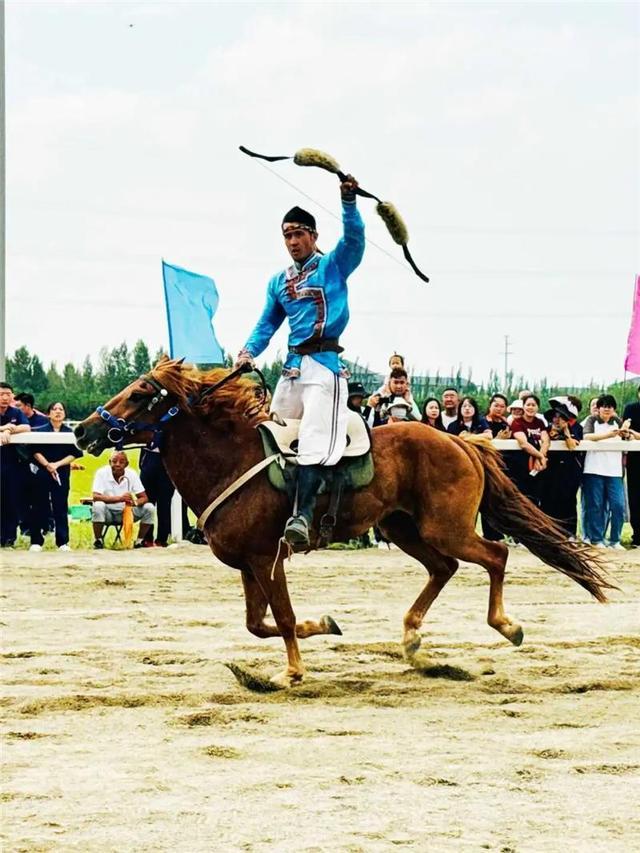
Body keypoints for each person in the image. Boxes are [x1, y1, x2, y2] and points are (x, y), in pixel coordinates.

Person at [234, 174, 365, 550]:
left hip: (325, 368)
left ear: (313, 236)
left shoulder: (334, 266)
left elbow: (354, 240)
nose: (292, 242)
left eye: (298, 234)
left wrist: (348, 203)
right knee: (270, 433)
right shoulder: (279, 281)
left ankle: (303, 517)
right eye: (287, 236)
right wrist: (247, 353)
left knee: (312, 441)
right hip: (292, 371)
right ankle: (266, 511)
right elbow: (267, 323)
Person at [29, 402, 83, 552]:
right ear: (48, 413)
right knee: (39, 505)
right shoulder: (40, 431)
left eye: (61, 409)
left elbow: (75, 453)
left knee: (60, 507)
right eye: (54, 409)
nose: (58, 412)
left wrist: (57, 465)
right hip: (42, 473)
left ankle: (63, 542)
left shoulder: (70, 433)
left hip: (61, 474)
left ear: (64, 414)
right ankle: (36, 541)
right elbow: (35, 450)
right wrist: (47, 465)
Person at [582, 395, 630, 549]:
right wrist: (609, 435)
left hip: (614, 471)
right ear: (599, 408)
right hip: (593, 469)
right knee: (595, 505)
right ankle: (596, 538)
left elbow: (627, 438)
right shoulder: (591, 420)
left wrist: (626, 433)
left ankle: (615, 539)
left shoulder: (618, 421)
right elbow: (587, 436)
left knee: (618, 506)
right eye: (604, 406)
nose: (607, 409)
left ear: (614, 409)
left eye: (610, 406)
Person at [91, 451, 155, 549]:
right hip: (108, 513)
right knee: (98, 505)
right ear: (109, 462)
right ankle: (98, 540)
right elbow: (95, 496)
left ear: (127, 464)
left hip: (127, 512)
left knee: (149, 507)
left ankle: (139, 541)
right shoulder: (101, 473)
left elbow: (144, 497)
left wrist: (135, 502)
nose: (117, 464)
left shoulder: (132, 474)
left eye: (121, 462)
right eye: (114, 461)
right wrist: (119, 498)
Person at [540, 401, 583, 538]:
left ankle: (569, 534)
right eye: (555, 416)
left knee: (569, 501)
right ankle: (549, 533)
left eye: (561, 417)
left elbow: (572, 446)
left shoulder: (577, 428)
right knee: (548, 500)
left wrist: (566, 432)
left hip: (570, 470)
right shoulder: (546, 430)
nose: (557, 420)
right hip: (551, 470)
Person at [0, 382, 31, 547]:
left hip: (11, 464)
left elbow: (26, 427)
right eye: (1, 394)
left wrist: (9, 431)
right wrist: (3, 427)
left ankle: (9, 539)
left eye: (8, 394)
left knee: (11, 501)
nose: (5, 397)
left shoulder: (16, 412)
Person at [509, 394, 549, 506]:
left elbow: (546, 441)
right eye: (528, 405)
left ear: (538, 407)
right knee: (522, 502)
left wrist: (540, 458)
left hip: (537, 468)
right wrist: (541, 457)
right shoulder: (517, 423)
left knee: (536, 501)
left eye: (533, 405)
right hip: (520, 469)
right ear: (523, 406)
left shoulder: (539, 422)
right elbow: (524, 444)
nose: (530, 407)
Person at [139, 447, 175, 547]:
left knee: (165, 504)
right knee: (147, 503)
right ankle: (147, 538)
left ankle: (162, 539)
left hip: (166, 461)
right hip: (149, 461)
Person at [623, 385, 640, 547]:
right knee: (635, 497)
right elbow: (626, 432)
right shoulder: (631, 409)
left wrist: (636, 435)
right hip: (636, 460)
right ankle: (638, 535)